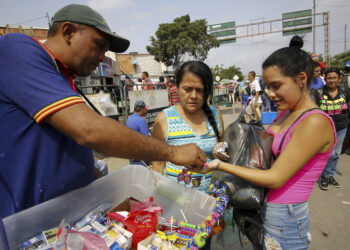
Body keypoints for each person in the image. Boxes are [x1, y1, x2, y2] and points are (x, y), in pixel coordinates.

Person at [0, 4, 206, 218]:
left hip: (62, 223)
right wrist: (172, 152)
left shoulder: (63, 79)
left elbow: (72, 156)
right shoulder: (16, 48)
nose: (101, 58)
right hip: (21, 228)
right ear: (68, 32)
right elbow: (88, 129)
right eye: (98, 46)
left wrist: (115, 198)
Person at [202, 36, 336, 249]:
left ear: (301, 79)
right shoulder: (286, 114)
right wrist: (229, 149)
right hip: (266, 206)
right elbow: (261, 151)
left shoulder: (314, 122)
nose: (269, 94)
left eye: (276, 86)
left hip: (286, 216)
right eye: (267, 86)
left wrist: (222, 166)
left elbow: (275, 178)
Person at [152, 61, 225, 194]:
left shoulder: (215, 115)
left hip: (212, 201)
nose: (193, 96)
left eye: (200, 90)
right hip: (176, 201)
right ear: (177, 87)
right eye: (187, 89)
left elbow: (222, 154)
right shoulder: (164, 119)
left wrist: (220, 154)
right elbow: (158, 163)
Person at [315, 67, 350, 190]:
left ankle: (330, 175)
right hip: (325, 128)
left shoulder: (345, 91)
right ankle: (324, 176)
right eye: (329, 78)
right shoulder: (319, 93)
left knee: (336, 154)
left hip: (342, 127)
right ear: (325, 79)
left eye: (334, 77)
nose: (331, 80)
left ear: (339, 78)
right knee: (328, 154)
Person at [126, 100, 150, 166]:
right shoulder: (141, 120)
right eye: (145, 109)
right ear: (142, 109)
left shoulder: (129, 118)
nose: (146, 110)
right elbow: (147, 139)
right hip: (139, 153)